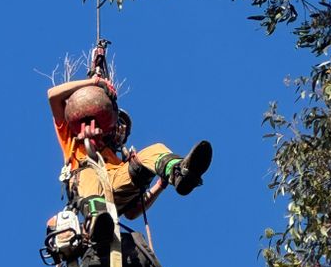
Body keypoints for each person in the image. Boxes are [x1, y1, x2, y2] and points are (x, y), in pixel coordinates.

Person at [47, 74, 212, 251]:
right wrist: (94, 82)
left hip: (115, 186)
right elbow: (53, 95)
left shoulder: (119, 163)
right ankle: (97, 220)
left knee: (153, 150)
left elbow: (132, 212)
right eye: (119, 124)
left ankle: (179, 172)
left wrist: (159, 186)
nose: (121, 130)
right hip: (90, 190)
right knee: (87, 171)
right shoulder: (73, 140)